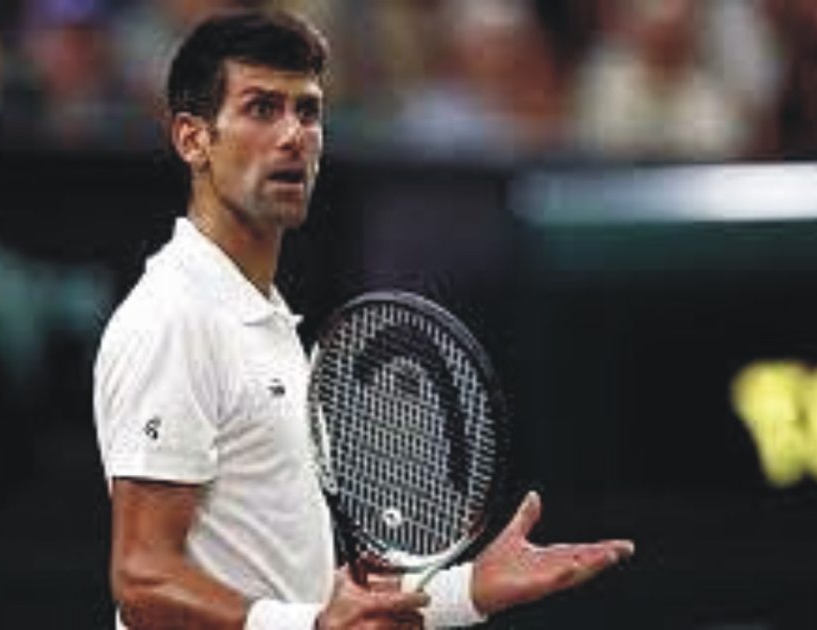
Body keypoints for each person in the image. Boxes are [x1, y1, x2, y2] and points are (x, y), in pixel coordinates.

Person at [92, 9, 635, 629]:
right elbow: (144, 578)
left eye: (308, 112)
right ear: (193, 139)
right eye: (262, 109)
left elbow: (307, 601)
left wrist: (470, 590)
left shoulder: (261, 318)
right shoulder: (175, 318)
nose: (293, 135)